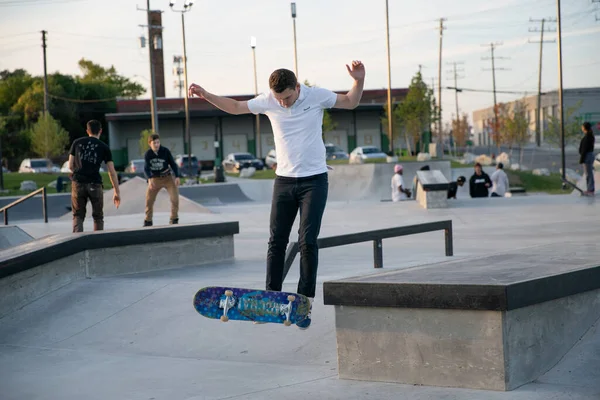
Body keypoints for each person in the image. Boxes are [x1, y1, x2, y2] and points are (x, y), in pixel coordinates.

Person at [189, 61, 365, 329]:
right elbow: (236, 107)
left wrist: (358, 79)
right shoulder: (269, 100)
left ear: (297, 87)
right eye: (279, 99)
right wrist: (206, 94)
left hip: (314, 181)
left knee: (307, 241)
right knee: (276, 242)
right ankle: (269, 298)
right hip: (283, 181)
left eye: (287, 97)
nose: (283, 103)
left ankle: (304, 302)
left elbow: (351, 102)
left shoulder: (316, 96)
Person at [69, 120, 121, 232]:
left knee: (78, 215)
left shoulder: (77, 143)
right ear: (100, 131)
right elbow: (111, 171)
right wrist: (116, 191)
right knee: (98, 216)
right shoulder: (104, 147)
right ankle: (98, 242)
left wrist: (78, 173)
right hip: (95, 184)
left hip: (78, 182)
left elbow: (70, 165)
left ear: (87, 131)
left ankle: (77, 241)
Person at [143, 133, 181, 226]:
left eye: (158, 143)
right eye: (154, 143)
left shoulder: (165, 151)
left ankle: (174, 218)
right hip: (155, 179)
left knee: (174, 199)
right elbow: (146, 168)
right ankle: (148, 220)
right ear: (150, 144)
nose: (156, 145)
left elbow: (173, 164)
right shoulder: (148, 154)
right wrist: (149, 179)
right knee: (149, 200)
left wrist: (177, 176)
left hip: (168, 178)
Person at [579, 122, 595, 195]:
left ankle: (590, 189)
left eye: (582, 127)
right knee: (588, 173)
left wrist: (582, 159)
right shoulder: (589, 136)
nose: (581, 128)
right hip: (589, 155)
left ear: (584, 128)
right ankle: (590, 188)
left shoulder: (588, 137)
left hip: (587, 156)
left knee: (588, 173)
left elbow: (584, 149)